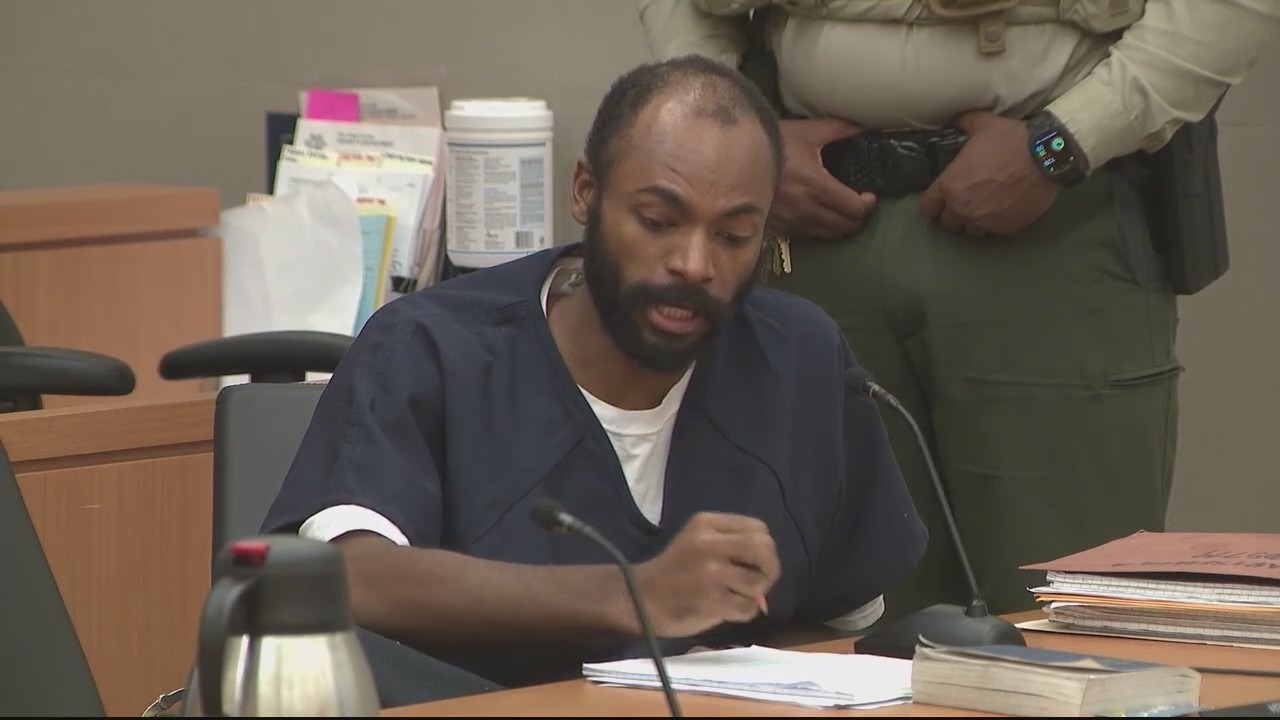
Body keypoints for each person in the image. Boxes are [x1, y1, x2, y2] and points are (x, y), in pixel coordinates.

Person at [260, 54, 927, 691]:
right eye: (659, 221)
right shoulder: (432, 348)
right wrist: (635, 595)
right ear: (586, 192)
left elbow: (845, 629)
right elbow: (350, 579)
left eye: (733, 236)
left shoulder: (798, 359)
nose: (695, 264)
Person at [636, 0, 1280, 618]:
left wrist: (1059, 147)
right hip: (816, 225)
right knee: (846, 617)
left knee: (1066, 604)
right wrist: (740, 140)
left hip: (1050, 222)